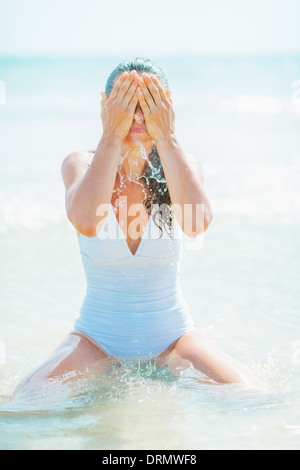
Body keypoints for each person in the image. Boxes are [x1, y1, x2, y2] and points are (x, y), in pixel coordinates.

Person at [12, 58, 265, 399]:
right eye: (127, 104)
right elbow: (86, 221)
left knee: (254, 395)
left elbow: (196, 226)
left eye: (149, 104)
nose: (139, 116)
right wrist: (110, 134)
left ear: (167, 104)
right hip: (96, 340)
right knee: (25, 401)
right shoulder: (81, 163)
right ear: (106, 105)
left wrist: (168, 136)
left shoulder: (183, 164)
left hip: (174, 339)